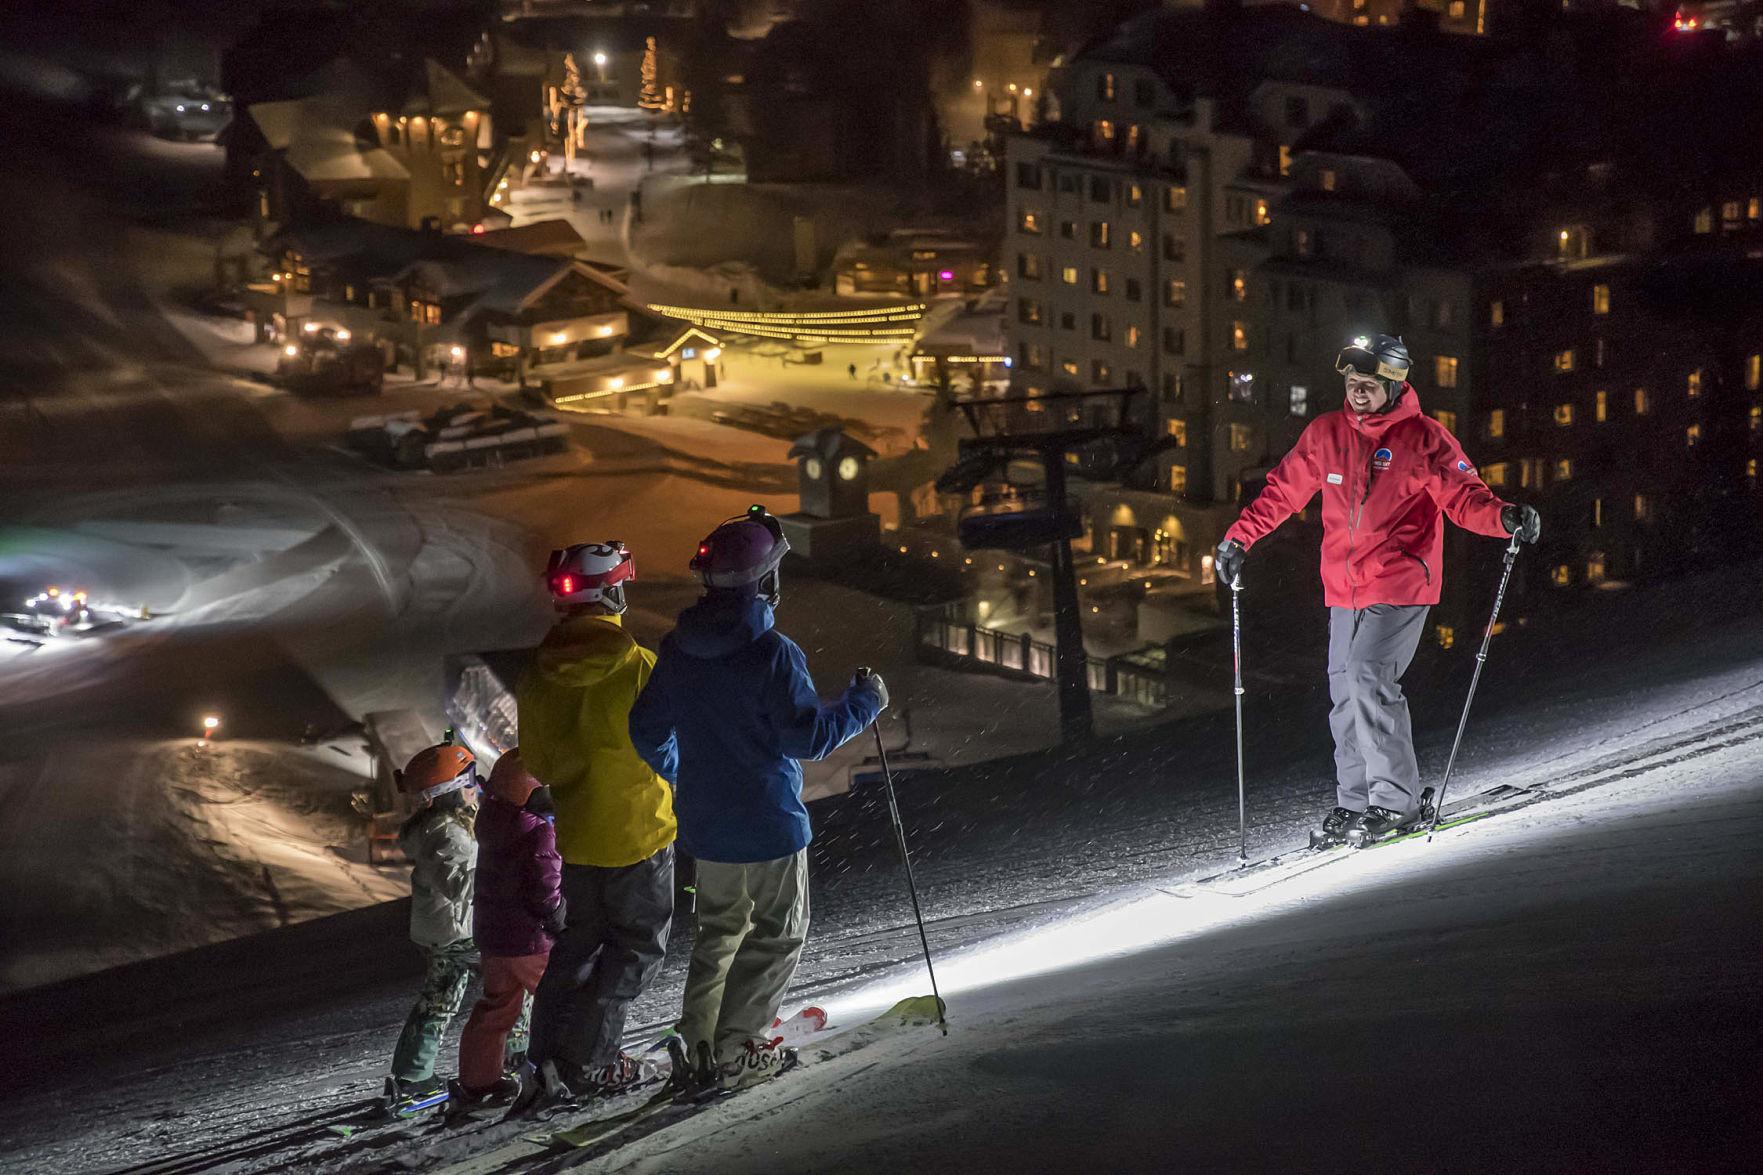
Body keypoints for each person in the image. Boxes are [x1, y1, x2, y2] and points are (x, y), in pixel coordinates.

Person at [1213, 334, 1541, 847]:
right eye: (1351, 383)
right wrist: (1239, 538)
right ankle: (1357, 801)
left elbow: (1464, 496)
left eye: (1368, 385)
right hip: (1343, 586)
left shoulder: (1425, 439)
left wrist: (1504, 518)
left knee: (1368, 675)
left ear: (1394, 385)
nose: (1358, 393)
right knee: (1344, 692)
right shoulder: (1326, 433)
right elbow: (1282, 490)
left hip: (1401, 581)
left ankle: (1397, 802)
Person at [629, 505, 886, 1094]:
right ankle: (737, 1046)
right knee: (777, 932)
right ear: (765, 579)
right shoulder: (773, 653)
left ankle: (698, 1045)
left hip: (709, 825)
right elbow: (810, 737)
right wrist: (865, 701)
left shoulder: (678, 649)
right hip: (769, 823)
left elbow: (646, 729)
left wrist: (685, 771)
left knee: (719, 934)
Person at [511, 542, 679, 1112]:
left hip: (578, 838)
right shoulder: (638, 666)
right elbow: (668, 747)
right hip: (640, 832)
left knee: (576, 948)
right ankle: (594, 1063)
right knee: (634, 951)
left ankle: (545, 1059)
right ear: (613, 592)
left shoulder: (537, 675)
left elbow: (538, 758)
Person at [450, 750, 564, 1113]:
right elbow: (546, 888)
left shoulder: (493, 822)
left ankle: (478, 1081)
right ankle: (576, 1066)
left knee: (497, 1007)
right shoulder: (538, 831)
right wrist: (559, 915)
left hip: (495, 939)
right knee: (561, 1000)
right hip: (529, 939)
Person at [384, 743, 484, 1116]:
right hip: (459, 932)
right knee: (515, 983)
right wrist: (503, 869)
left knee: (439, 1000)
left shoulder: (441, 827)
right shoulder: (446, 834)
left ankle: (412, 1073)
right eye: (471, 779)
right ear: (450, 789)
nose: (477, 786)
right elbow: (461, 885)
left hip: (443, 930)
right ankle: (513, 1053)